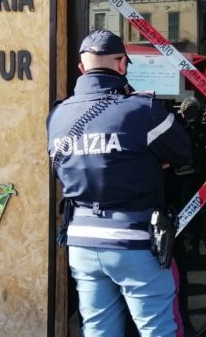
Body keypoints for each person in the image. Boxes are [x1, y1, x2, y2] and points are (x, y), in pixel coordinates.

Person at [47, 29, 192, 337]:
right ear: (123, 65)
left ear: (81, 69)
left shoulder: (57, 115)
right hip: (135, 239)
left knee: (99, 331)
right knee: (159, 330)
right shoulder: (143, 110)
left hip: (82, 241)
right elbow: (183, 152)